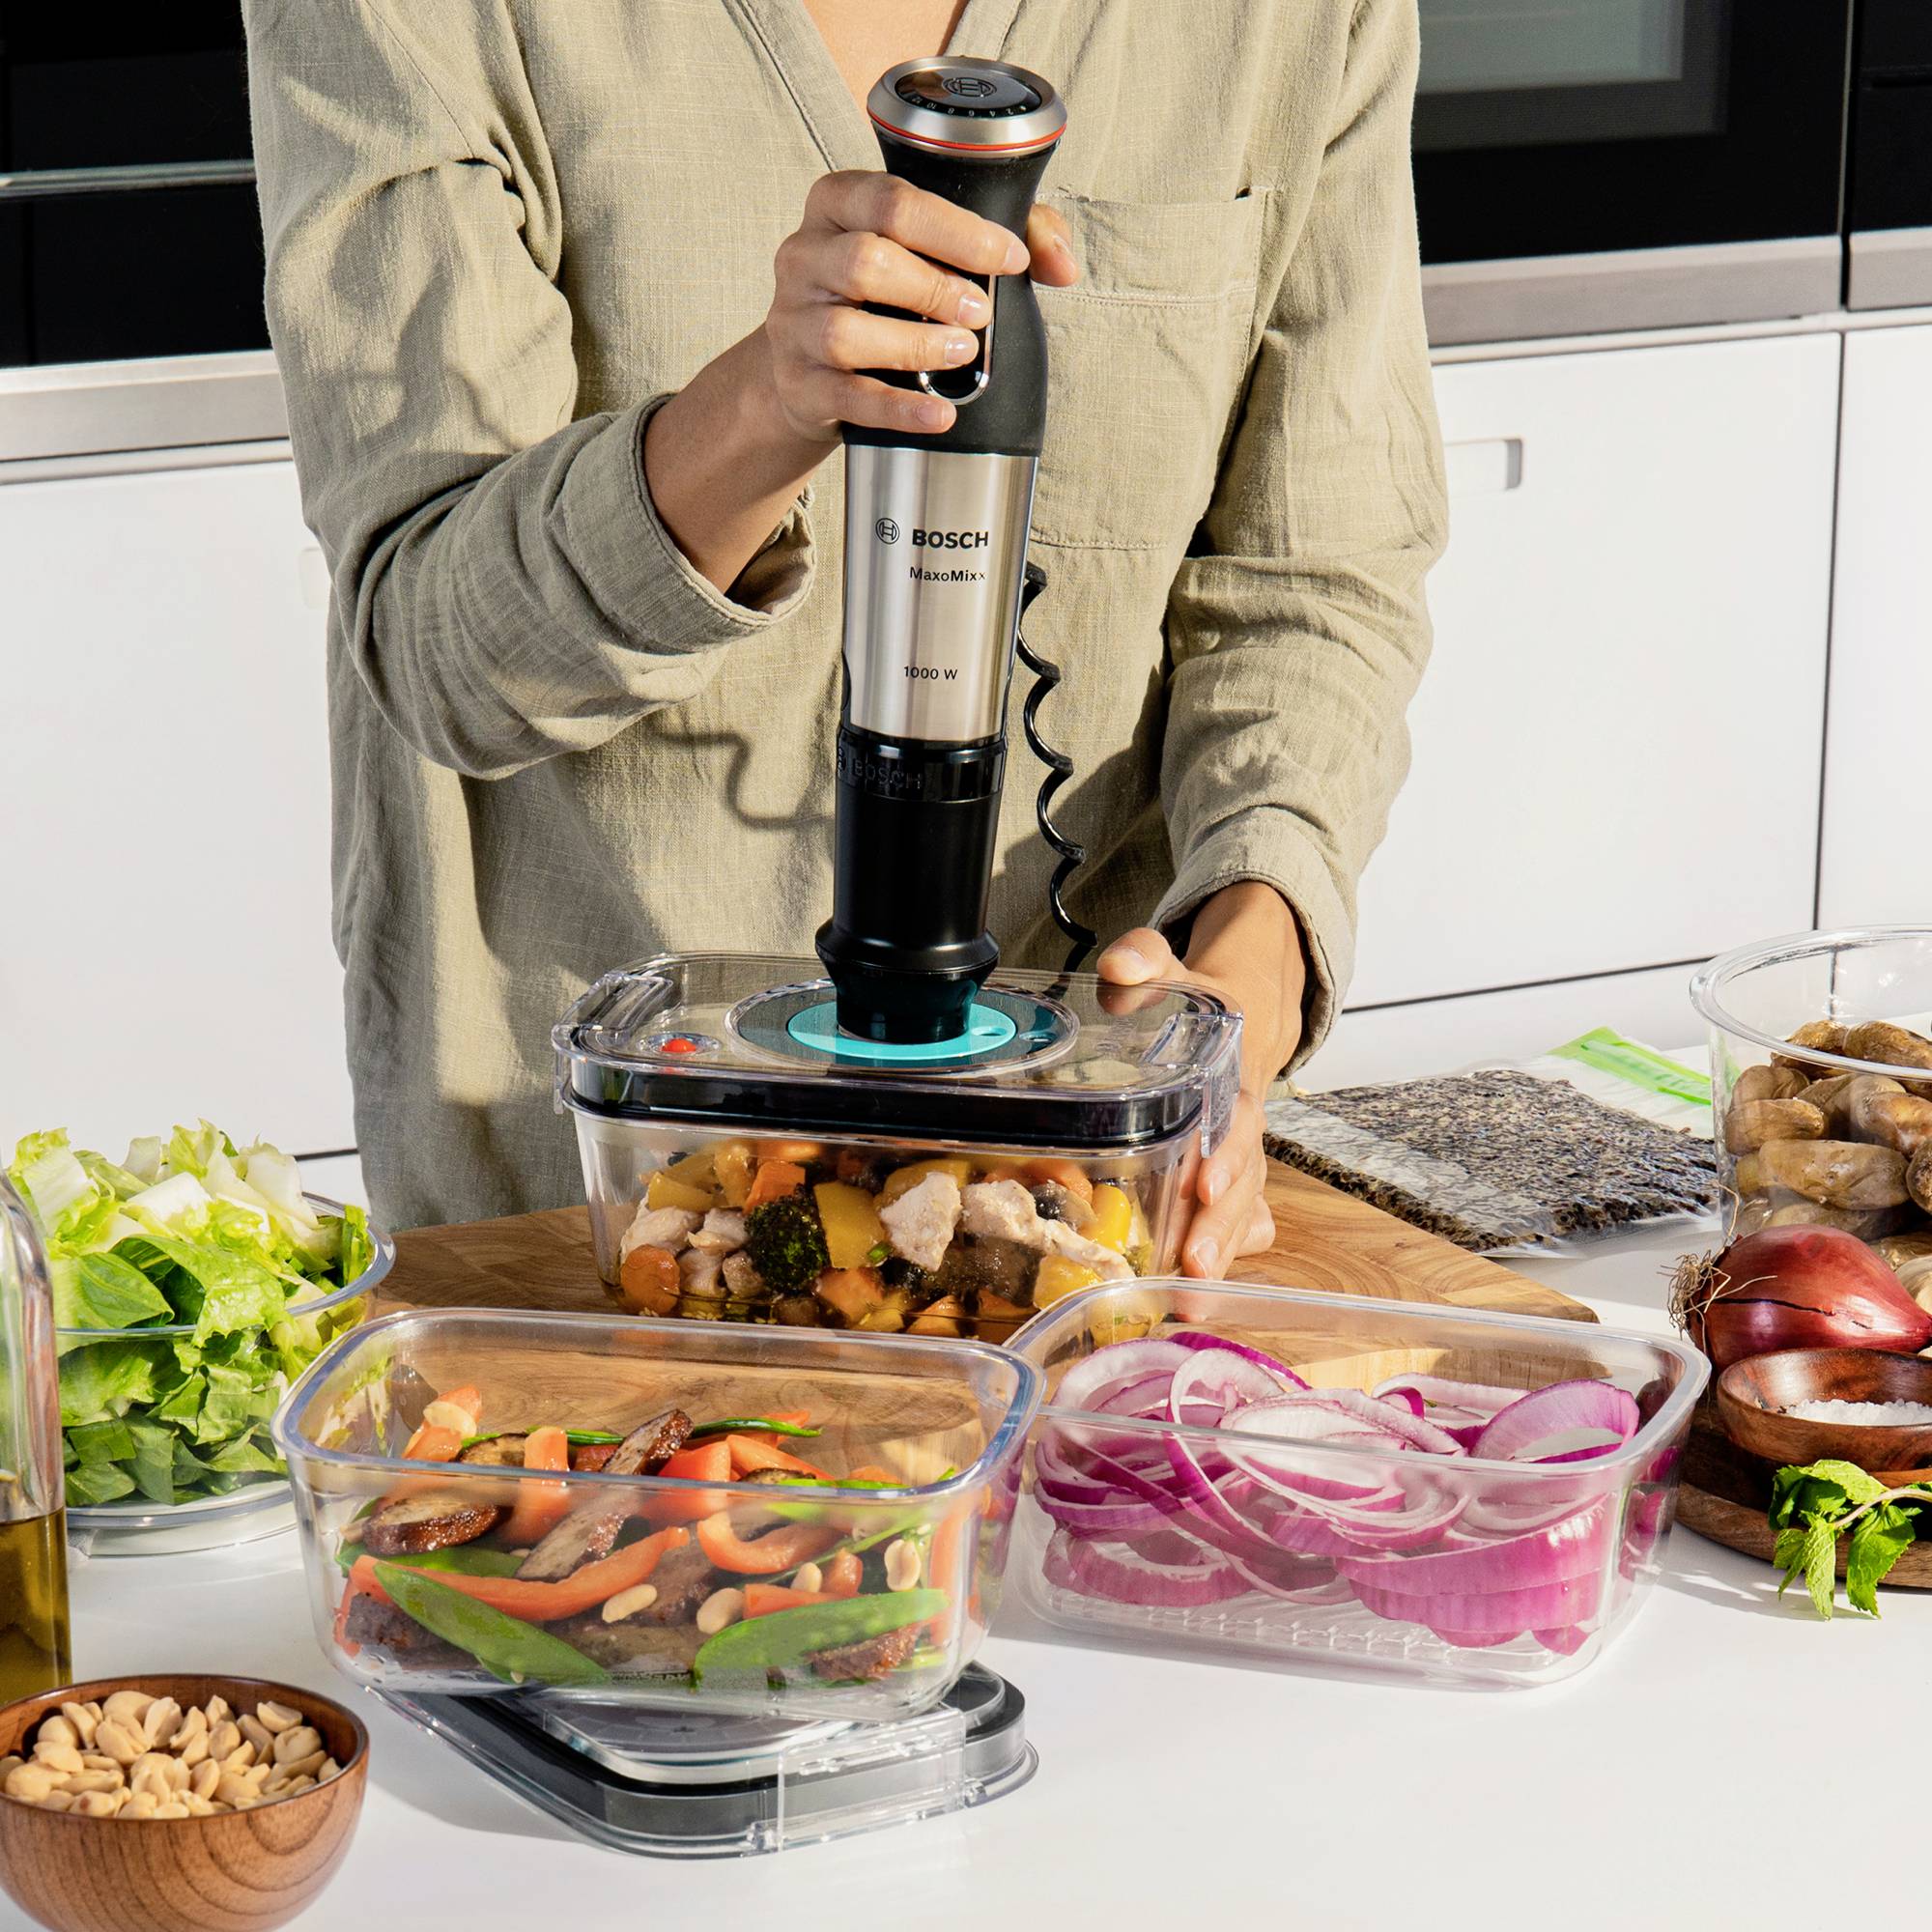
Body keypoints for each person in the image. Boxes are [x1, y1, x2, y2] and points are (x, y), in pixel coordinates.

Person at [243, 0, 1446, 1270]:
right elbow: (438, 653)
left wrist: (1240, 990)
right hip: (595, 1233)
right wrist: (763, 405)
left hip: (1081, 1227)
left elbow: (1319, 573)